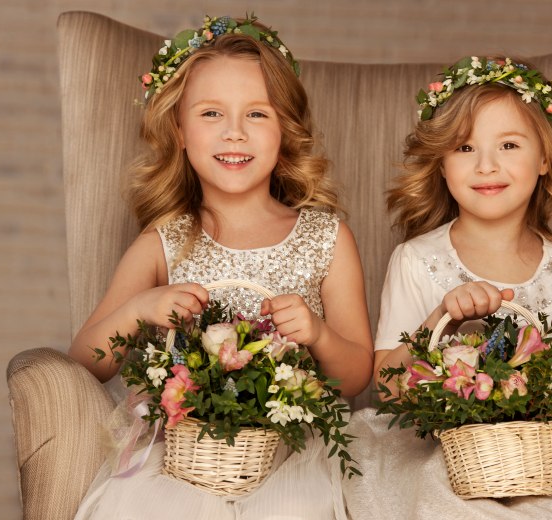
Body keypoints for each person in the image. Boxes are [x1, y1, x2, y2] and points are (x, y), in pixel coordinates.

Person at [69, 15, 373, 520]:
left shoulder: (327, 237)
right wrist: (140, 309)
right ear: (180, 131)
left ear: (285, 133)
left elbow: (357, 374)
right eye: (211, 113)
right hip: (188, 454)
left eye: (257, 114)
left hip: (295, 451)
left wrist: (318, 334)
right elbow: (83, 361)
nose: (235, 133)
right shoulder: (162, 241)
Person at [342, 56, 552, 519]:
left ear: (544, 158)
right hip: (434, 454)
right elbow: (384, 387)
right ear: (442, 165)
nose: (487, 165)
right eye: (465, 148)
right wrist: (438, 321)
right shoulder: (417, 260)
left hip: (530, 466)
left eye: (508, 144)